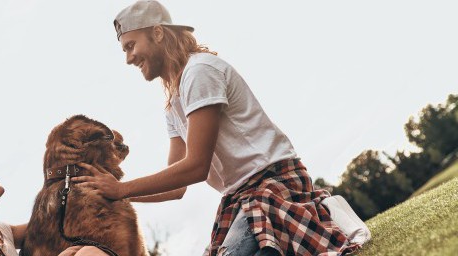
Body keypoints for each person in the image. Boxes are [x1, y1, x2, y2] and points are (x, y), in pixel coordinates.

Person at [73, 1, 359, 255]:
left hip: (274, 185)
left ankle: (316, 215)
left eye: (131, 46)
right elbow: (178, 187)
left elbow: (196, 166)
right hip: (240, 199)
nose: (128, 58)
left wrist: (121, 189)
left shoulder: (200, 72)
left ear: (157, 33)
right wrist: (112, 192)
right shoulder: (173, 103)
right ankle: (308, 223)